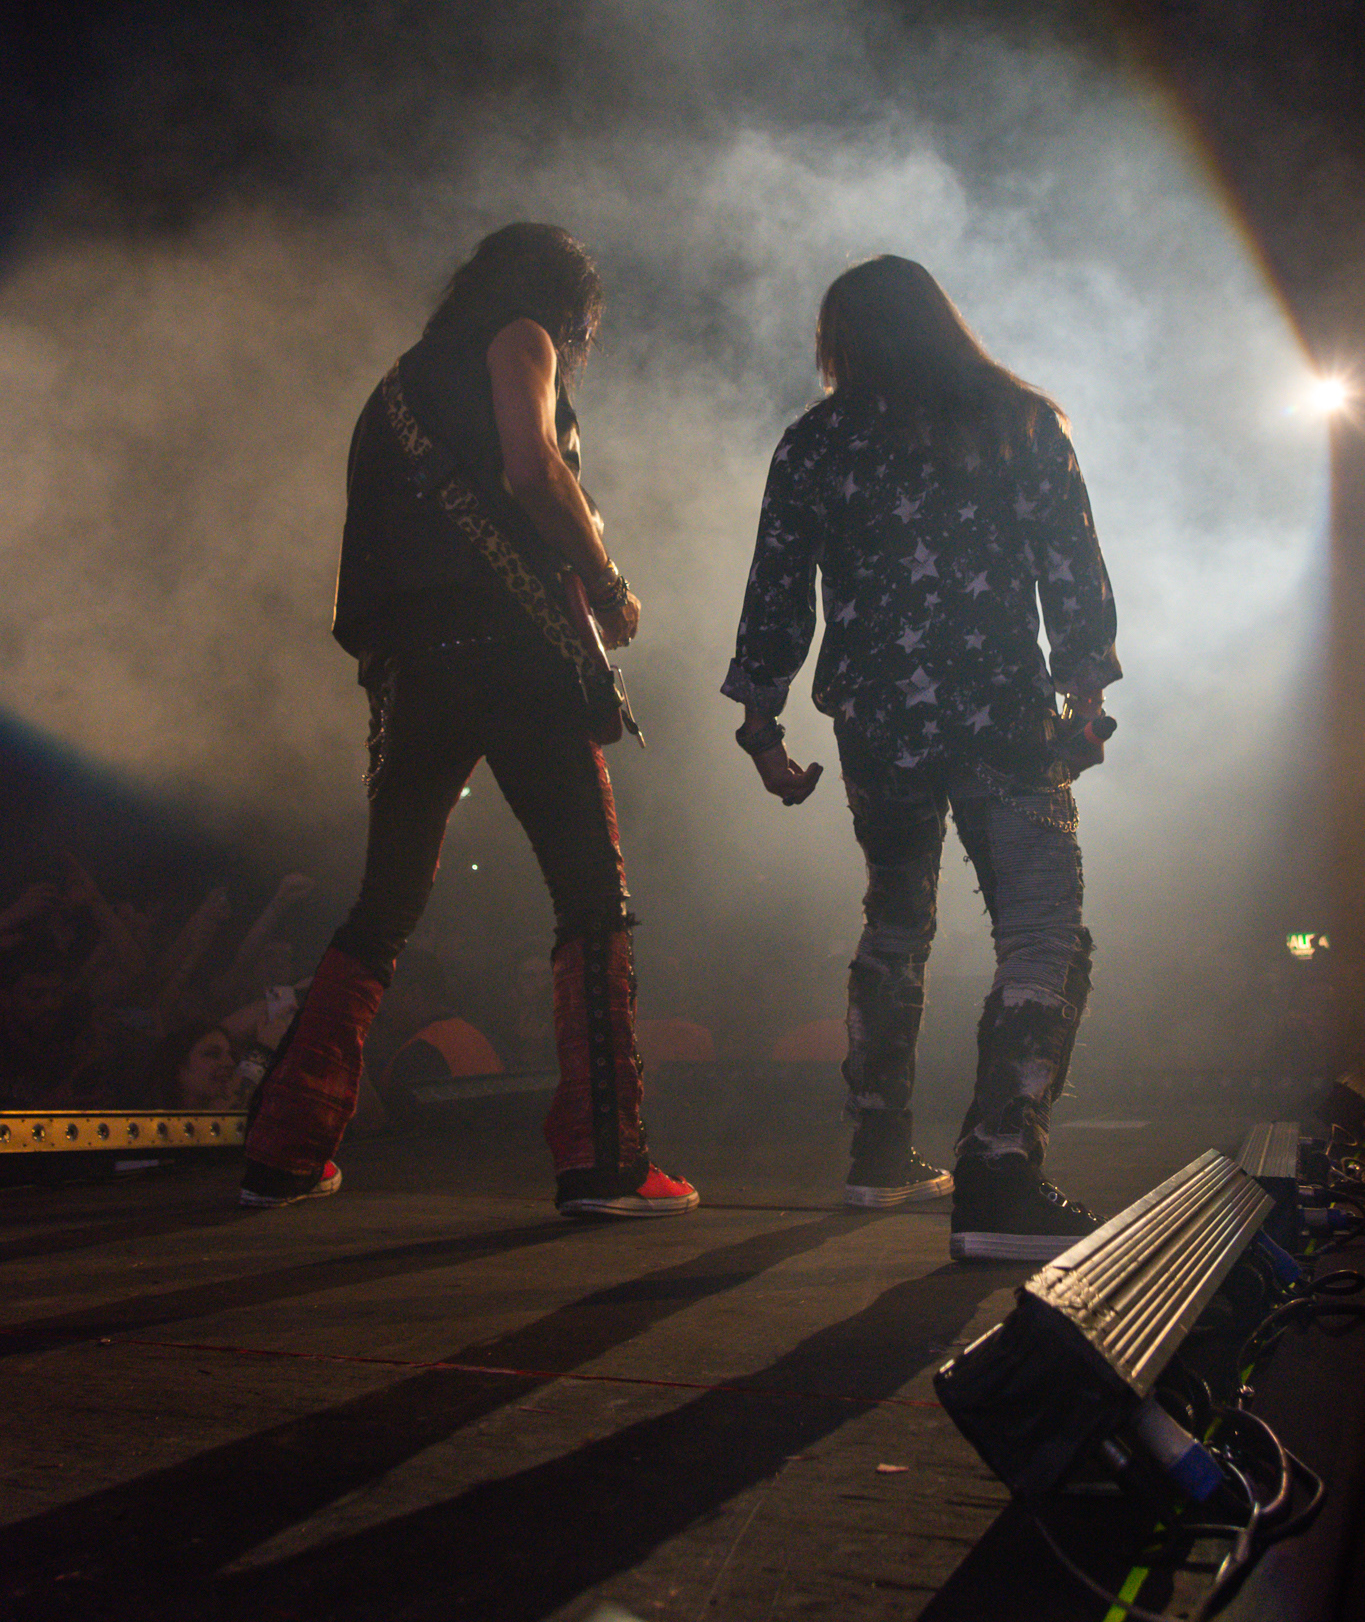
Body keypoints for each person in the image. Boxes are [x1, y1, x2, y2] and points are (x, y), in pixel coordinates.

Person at [240, 222, 697, 1217]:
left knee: (386, 901)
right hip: (515, 652)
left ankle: (284, 1146)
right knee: (589, 893)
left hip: (411, 668)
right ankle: (605, 1161)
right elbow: (532, 472)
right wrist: (609, 583)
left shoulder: (398, 387)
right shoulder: (520, 335)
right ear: (564, 303)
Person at [723, 255, 1120, 1261]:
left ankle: (877, 1147)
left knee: (896, 917)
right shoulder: (1020, 418)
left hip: (879, 722)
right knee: (1043, 932)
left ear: (840, 338)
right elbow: (1069, 569)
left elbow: (776, 593)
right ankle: (998, 1169)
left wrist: (764, 728)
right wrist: (1088, 697)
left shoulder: (818, 441)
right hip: (997, 709)